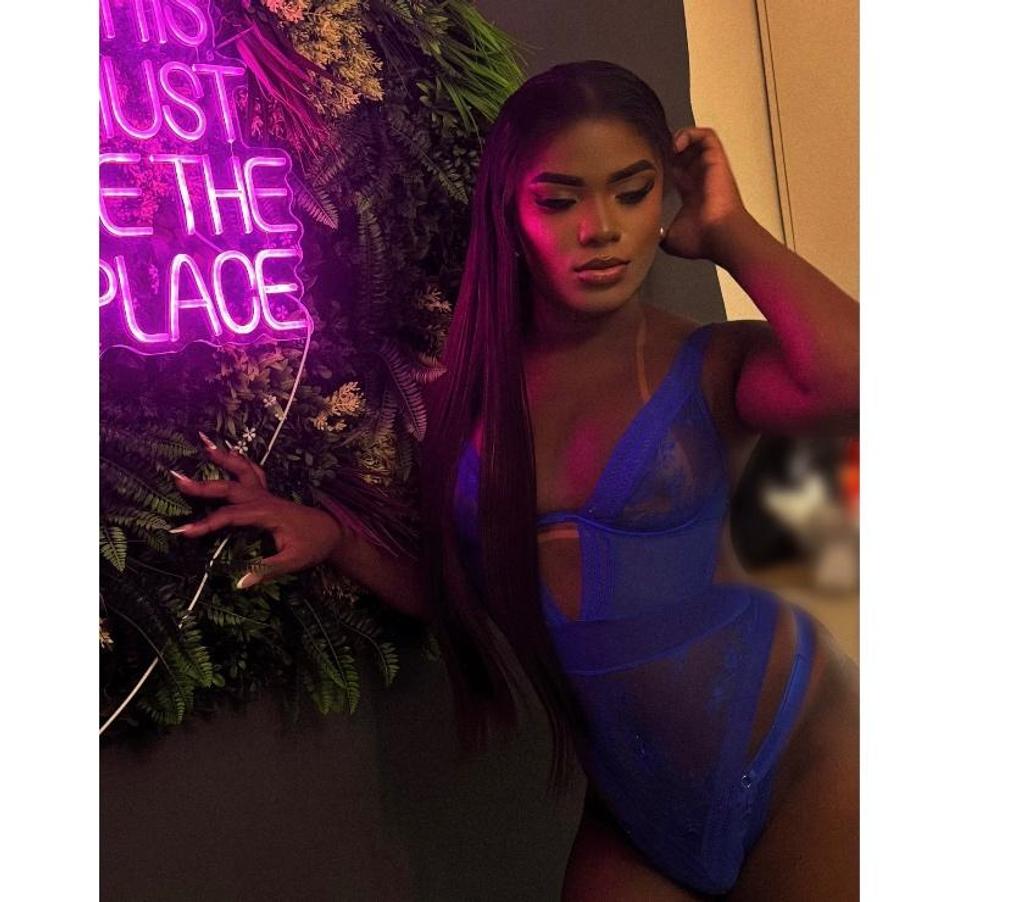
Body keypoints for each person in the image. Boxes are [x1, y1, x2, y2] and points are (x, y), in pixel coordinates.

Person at [171, 61, 859, 901]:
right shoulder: (463, 398)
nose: (599, 229)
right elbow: (470, 593)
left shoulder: (709, 365)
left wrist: (729, 229)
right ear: (511, 213)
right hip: (637, 816)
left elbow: (859, 380)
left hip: (805, 762)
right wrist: (334, 538)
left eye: (632, 192)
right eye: (559, 201)